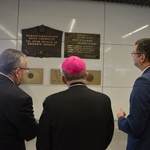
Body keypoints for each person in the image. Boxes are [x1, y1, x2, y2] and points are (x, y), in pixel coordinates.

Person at [36, 56, 114, 150]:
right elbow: (108, 135)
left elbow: (43, 140)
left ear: (63, 79)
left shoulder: (52, 102)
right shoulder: (104, 100)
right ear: (86, 75)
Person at [0, 49, 38, 150]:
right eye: (25, 69)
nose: (25, 73)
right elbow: (30, 133)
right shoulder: (20, 98)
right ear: (17, 71)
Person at [117, 38, 150, 150]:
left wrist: (121, 118)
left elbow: (134, 127)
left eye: (134, 53)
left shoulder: (143, 82)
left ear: (142, 57)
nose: (133, 56)